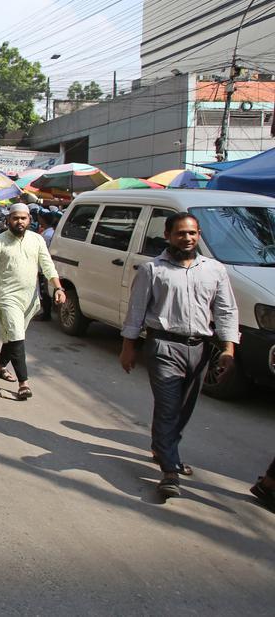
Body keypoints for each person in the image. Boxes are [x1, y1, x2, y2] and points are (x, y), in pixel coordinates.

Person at [120, 212, 238, 498]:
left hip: (199, 348)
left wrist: (228, 348)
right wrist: (128, 346)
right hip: (163, 346)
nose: (187, 238)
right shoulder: (152, 270)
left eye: (192, 233)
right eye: (181, 233)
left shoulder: (214, 270)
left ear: (198, 236)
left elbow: (225, 310)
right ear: (168, 235)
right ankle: (169, 470)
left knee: (184, 408)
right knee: (168, 406)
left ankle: (164, 447)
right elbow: (136, 310)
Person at [0, 203, 66, 401]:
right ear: (8, 220)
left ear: (29, 220)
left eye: (23, 218)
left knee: (13, 337)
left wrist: (59, 288)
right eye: (15, 218)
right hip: (7, 298)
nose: (19, 221)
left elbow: (47, 266)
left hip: (30, 299)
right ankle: (23, 383)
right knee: (17, 337)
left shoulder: (37, 240)